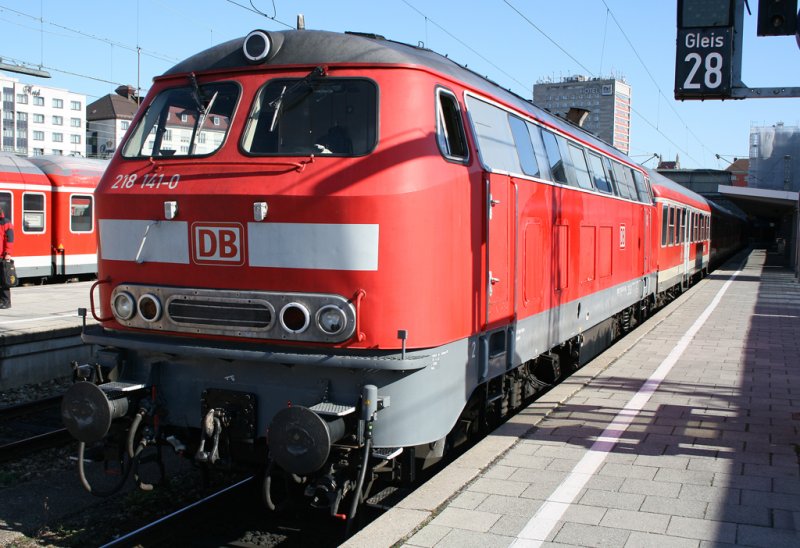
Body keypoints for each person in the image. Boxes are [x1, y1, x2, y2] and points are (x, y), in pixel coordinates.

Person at [1, 206, 14, 309]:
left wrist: (8, 253)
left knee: (4, 279)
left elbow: (9, 239)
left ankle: (6, 301)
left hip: (2, 256)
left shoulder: (6, 223)